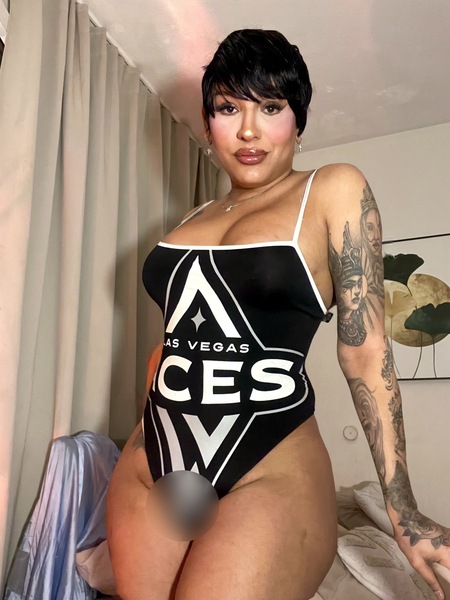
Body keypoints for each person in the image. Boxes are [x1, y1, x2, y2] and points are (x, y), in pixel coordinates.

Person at [106, 29, 450, 600]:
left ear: (298, 122)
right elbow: (170, 342)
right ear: (208, 122)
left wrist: (404, 509)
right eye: (228, 108)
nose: (248, 130)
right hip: (151, 463)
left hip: (266, 464)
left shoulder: (332, 189)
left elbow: (365, 353)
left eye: (270, 107)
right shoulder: (192, 217)